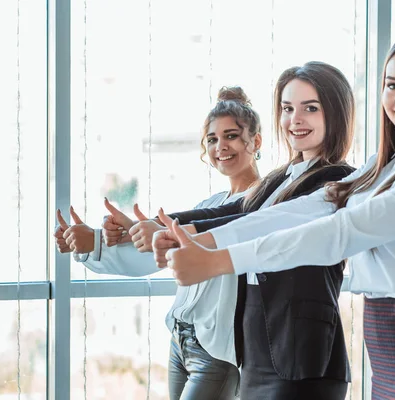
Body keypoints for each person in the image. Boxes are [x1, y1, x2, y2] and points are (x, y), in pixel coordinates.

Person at [157, 32, 395, 399]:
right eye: (392, 85)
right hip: (391, 358)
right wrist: (204, 242)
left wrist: (219, 261)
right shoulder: (389, 163)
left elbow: (337, 234)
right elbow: (301, 211)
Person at [133, 61, 356, 399]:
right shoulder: (281, 177)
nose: (295, 119)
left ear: (336, 113)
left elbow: (260, 224)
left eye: (310, 108)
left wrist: (188, 237)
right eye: (287, 108)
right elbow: (232, 210)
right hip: (255, 346)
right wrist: (162, 225)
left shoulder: (338, 180)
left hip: (301, 354)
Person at [54, 86, 262, 400]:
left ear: (256, 141)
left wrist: (110, 237)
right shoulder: (213, 200)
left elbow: (219, 229)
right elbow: (160, 254)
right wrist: (96, 245)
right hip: (181, 339)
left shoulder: (266, 203)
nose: (221, 146)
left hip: (217, 351)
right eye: (212, 139)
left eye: (231, 136)